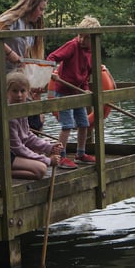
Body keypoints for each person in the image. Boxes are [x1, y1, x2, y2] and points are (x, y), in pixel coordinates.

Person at [0, 0, 48, 130]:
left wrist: (33, 82)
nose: (41, 14)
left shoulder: (29, 28)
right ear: (31, 6)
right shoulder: (13, 19)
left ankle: (23, 147)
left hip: (11, 74)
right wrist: (10, 53)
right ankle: (4, 148)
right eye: (40, 9)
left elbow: (24, 59)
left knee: (30, 114)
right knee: (3, 112)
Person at [0, 71, 61, 180]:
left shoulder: (19, 108)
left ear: (28, 92)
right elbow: (17, 148)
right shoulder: (7, 115)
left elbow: (27, 135)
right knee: (41, 170)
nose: (19, 95)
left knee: (39, 160)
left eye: (22, 91)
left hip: (6, 152)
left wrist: (49, 147)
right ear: (6, 92)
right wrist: (48, 160)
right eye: (14, 91)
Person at [46, 16, 101, 170]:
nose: (82, 40)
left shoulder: (92, 53)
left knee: (84, 123)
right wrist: (51, 71)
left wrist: (85, 88)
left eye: (87, 38)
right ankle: (61, 156)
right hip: (63, 91)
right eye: (80, 35)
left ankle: (80, 153)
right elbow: (52, 57)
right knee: (67, 125)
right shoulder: (72, 45)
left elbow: (85, 74)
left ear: (94, 39)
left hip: (76, 92)